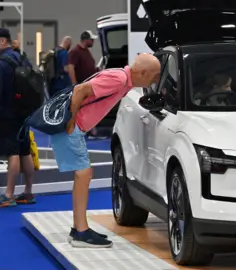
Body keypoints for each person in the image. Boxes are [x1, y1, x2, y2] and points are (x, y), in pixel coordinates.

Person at [51, 53, 161, 248]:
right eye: (155, 75)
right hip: (72, 127)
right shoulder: (118, 79)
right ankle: (80, 232)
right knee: (84, 174)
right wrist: (71, 121)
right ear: (143, 73)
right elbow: (79, 90)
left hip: (75, 127)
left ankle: (79, 228)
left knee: (83, 174)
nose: (156, 79)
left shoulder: (123, 80)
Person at [0, 28, 36, 207]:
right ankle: (28, 192)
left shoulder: (2, 63)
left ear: (3, 41)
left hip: (8, 113)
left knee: (12, 152)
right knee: (24, 150)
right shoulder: (21, 57)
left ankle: (8, 194)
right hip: (25, 111)